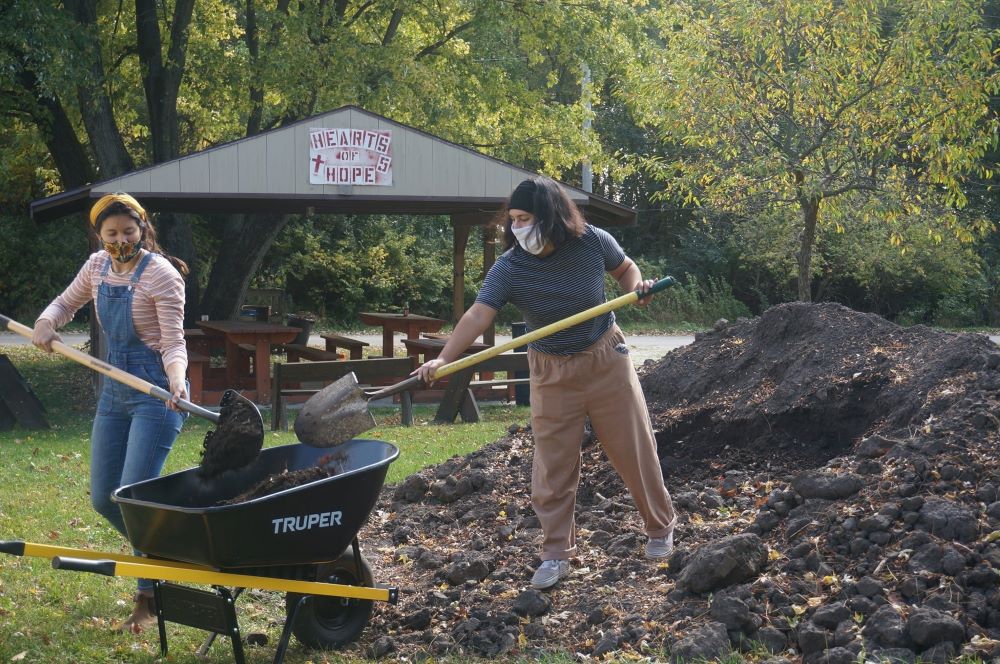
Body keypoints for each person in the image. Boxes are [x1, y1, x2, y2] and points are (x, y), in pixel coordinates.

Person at [415, 176, 677, 590]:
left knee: (633, 448)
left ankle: (660, 528)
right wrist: (445, 356)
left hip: (605, 357)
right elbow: (479, 315)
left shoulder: (592, 241)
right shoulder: (511, 266)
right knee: (552, 465)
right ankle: (556, 553)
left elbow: (626, 269)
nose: (518, 228)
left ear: (551, 218)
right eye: (513, 220)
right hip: (551, 369)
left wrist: (637, 289)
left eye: (525, 219)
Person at [32, 193, 189, 631]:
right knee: (105, 497)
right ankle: (166, 557)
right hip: (114, 394)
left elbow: (174, 342)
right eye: (111, 233)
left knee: (132, 497)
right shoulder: (97, 266)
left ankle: (147, 596)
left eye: (128, 231)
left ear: (143, 229)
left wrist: (176, 381)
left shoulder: (162, 275)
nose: (120, 240)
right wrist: (48, 322)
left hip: (155, 392)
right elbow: (65, 304)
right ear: (99, 235)